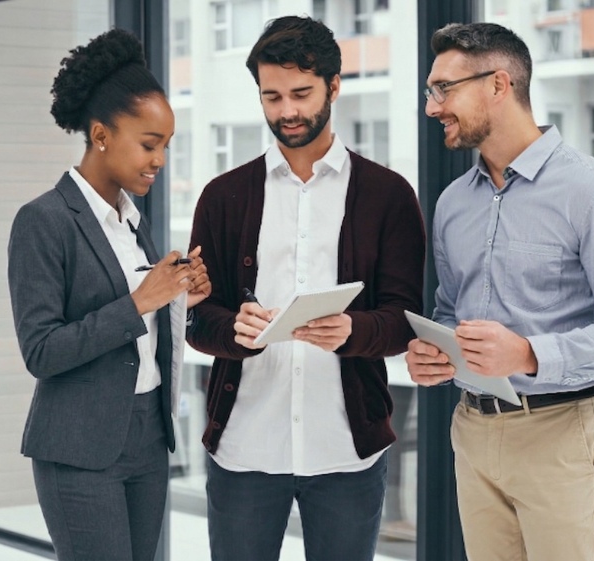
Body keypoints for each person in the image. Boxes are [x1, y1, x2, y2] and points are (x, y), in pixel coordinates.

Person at [407, 22, 594, 561]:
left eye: (444, 90)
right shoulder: (453, 202)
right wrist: (437, 354)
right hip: (473, 430)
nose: (433, 108)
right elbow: (449, 312)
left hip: (563, 435)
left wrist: (527, 353)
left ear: (499, 84)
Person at [186, 16, 425, 561]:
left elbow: (404, 316)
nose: (286, 111)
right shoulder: (221, 196)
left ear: (334, 87)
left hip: (346, 453)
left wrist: (352, 330)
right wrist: (234, 329)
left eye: (301, 93)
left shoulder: (389, 195)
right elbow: (198, 319)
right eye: (272, 97)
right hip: (245, 447)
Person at [6, 28, 210, 561]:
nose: (159, 160)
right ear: (100, 135)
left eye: (166, 145)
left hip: (147, 435)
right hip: (78, 447)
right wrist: (141, 300)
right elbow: (42, 352)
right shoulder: (42, 221)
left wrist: (182, 294)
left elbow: (141, 335)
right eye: (149, 144)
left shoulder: (131, 224)